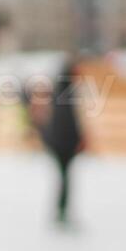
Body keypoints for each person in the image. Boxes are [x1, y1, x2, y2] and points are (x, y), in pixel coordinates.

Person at [25, 60, 85, 227]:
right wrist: (78, 138)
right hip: (64, 143)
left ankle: (61, 210)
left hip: (58, 142)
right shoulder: (65, 93)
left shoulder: (58, 91)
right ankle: (61, 211)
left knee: (63, 178)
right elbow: (68, 121)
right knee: (64, 179)